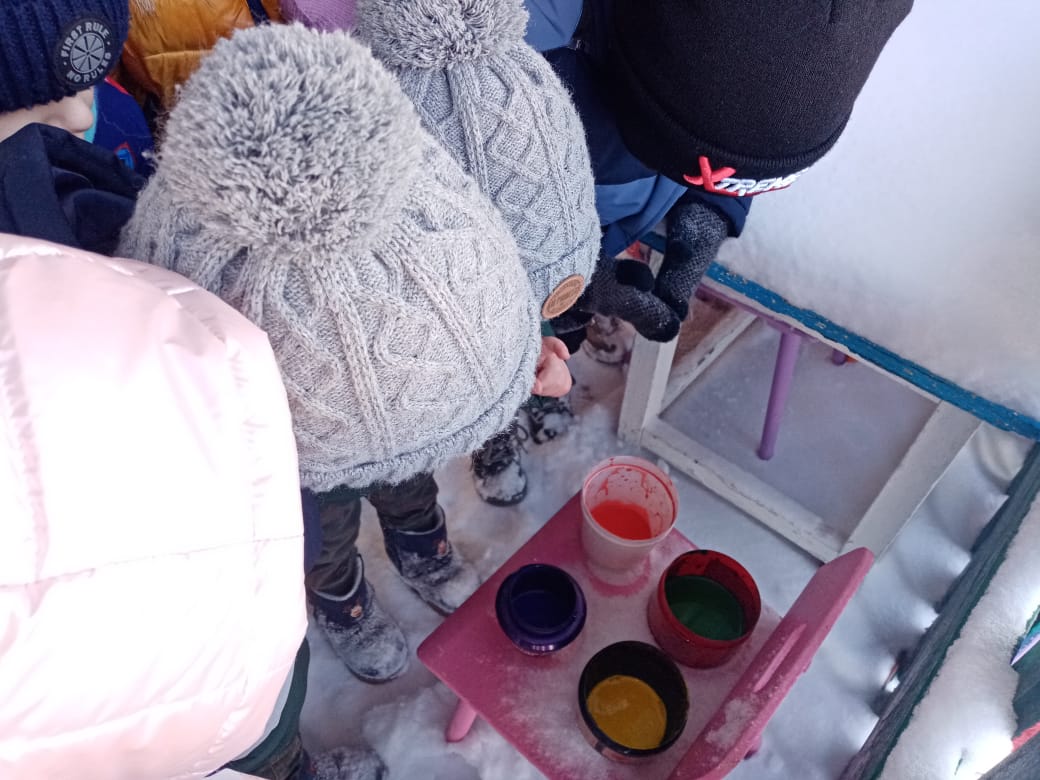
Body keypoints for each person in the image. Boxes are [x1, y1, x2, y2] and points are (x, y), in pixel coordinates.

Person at [118, 23, 545, 690]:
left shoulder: (411, 188)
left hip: (397, 394)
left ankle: (420, 542)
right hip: (295, 437)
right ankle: (338, 593)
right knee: (322, 527)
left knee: (407, 476)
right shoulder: (190, 232)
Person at [353, 0, 600, 506]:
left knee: (522, 286)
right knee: (476, 344)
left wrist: (537, 342)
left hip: (502, 231)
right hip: (438, 302)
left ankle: (521, 386)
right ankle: (492, 429)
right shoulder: (387, 113)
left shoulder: (509, 81)